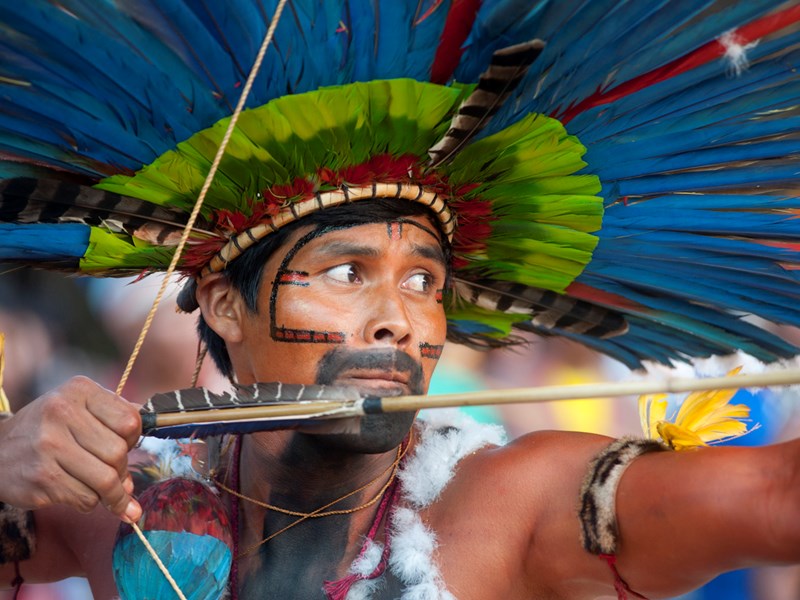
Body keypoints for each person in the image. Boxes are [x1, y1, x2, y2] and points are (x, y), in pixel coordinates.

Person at [3, 2, 800, 599]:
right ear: (223, 305)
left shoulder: (516, 505)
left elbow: (775, 500)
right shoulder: (118, 498)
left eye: (424, 282)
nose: (401, 319)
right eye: (348, 274)